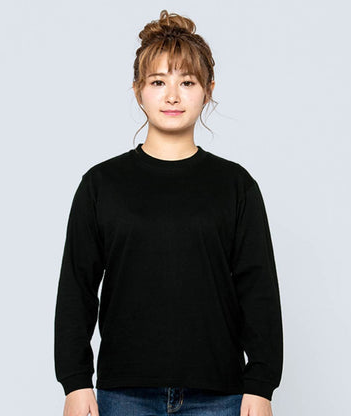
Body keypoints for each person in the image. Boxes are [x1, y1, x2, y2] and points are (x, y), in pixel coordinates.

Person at [54, 9, 283, 416]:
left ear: (208, 90)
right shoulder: (101, 185)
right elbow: (77, 287)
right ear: (138, 90)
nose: (172, 96)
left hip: (219, 396)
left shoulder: (236, 186)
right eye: (158, 82)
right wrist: (75, 382)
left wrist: (261, 385)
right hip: (124, 394)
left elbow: (258, 289)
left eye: (187, 82)